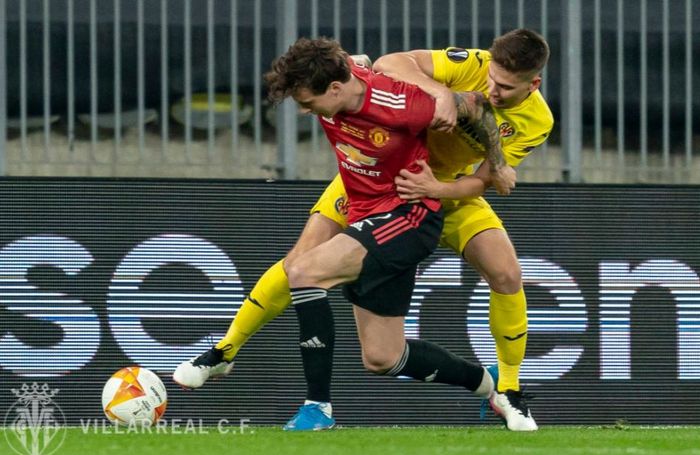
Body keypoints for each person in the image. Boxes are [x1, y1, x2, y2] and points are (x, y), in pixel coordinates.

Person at [174, 29, 552, 432]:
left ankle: (508, 389)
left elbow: (482, 179)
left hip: (441, 191)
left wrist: (444, 184)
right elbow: (392, 62)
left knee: (507, 273)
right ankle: (223, 353)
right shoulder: (470, 65)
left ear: (534, 84)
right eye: (492, 79)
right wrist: (440, 93)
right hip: (371, 180)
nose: (493, 88)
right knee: (299, 265)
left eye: (506, 87)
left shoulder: (536, 122)